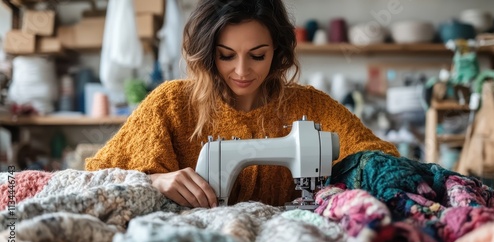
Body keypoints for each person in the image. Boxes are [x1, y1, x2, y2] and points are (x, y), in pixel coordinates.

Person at [85, 0, 399, 208]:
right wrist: (153, 181)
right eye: (226, 55)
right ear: (208, 52)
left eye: (257, 55)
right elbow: (92, 179)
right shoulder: (169, 105)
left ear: (277, 50)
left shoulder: (311, 107)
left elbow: (382, 162)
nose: (241, 71)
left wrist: (338, 190)